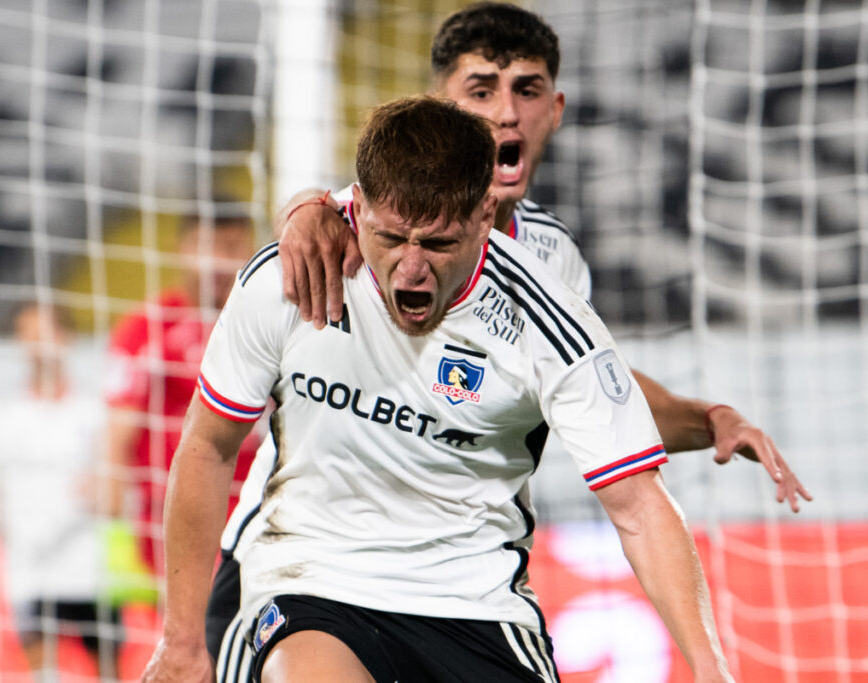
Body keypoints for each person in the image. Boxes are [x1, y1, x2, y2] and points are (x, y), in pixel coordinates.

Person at [142, 95, 733, 682]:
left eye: (438, 243)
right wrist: (183, 639)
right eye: (392, 239)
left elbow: (639, 508)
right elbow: (208, 446)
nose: (411, 268)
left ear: (484, 215)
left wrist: (711, 668)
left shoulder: (545, 321)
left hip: (475, 607)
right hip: (312, 585)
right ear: (361, 206)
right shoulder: (289, 279)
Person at [273, 1, 811, 511]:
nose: (507, 113)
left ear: (555, 111)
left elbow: (598, 387)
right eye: (481, 92)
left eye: (526, 91)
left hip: (448, 570)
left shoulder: (555, 258)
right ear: (440, 106)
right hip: (294, 547)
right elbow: (318, 221)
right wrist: (302, 209)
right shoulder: (363, 221)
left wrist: (710, 419)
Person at [0, 302, 122, 681]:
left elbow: (118, 485)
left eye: (41, 334)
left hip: (88, 564)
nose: (34, 345)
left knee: (106, 668)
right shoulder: (1, 413)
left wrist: (107, 489)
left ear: (66, 339)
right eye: (26, 336)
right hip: (28, 565)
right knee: (42, 671)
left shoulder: (93, 410)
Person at [103, 207, 264, 577]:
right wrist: (111, 508)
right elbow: (119, 425)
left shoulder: (260, 325)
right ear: (183, 248)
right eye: (209, 246)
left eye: (233, 246)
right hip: (164, 513)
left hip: (250, 512)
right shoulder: (146, 328)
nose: (220, 261)